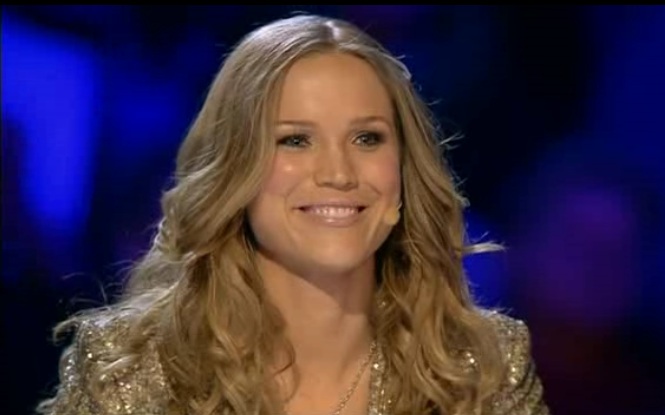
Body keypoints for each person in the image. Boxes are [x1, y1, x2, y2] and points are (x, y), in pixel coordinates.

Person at [38, 14, 549, 415]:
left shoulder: (483, 368)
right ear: (236, 167)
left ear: (403, 168)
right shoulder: (127, 370)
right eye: (295, 140)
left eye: (367, 138)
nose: (338, 173)